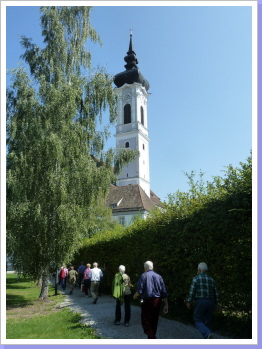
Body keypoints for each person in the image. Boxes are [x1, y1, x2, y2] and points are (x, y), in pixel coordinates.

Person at [133, 261, 168, 339]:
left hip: (147, 301)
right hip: (157, 301)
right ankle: (151, 339)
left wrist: (135, 296)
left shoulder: (143, 275)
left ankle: (152, 338)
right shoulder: (159, 276)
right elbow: (164, 291)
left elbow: (139, 290)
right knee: (154, 320)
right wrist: (166, 304)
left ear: (145, 268)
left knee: (145, 321)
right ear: (152, 267)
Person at [186, 262, 219, 339]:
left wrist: (189, 301)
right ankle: (207, 338)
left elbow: (192, 292)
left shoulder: (196, 279)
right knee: (208, 320)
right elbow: (216, 293)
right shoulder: (212, 280)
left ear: (199, 270)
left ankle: (207, 334)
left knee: (197, 319)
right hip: (210, 302)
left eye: (198, 269)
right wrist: (216, 304)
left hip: (200, 301)